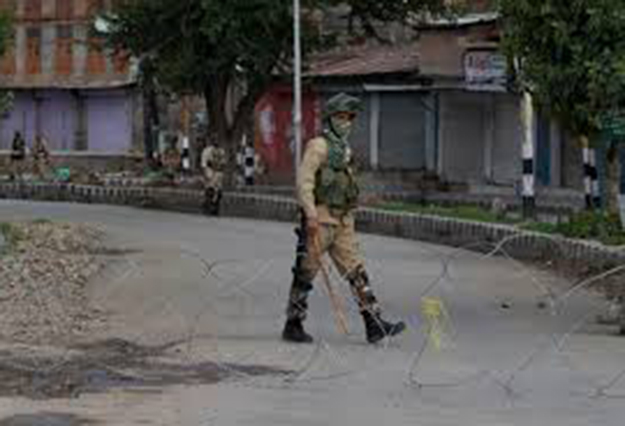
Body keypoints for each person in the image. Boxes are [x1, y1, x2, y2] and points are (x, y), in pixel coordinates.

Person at [282, 93, 406, 345]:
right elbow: (304, 182)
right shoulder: (318, 146)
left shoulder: (345, 149)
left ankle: (374, 323)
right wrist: (310, 214)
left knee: (357, 272)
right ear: (330, 119)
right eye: (341, 117)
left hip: (342, 222)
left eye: (349, 117)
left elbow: (345, 185)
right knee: (305, 274)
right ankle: (293, 324)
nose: (346, 122)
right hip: (319, 221)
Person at [201, 139, 227, 216]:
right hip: (210, 170)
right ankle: (208, 205)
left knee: (219, 191)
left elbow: (223, 162)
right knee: (210, 190)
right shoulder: (207, 150)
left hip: (218, 172)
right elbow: (204, 163)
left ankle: (216, 206)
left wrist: (221, 171)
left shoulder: (221, 151)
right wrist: (206, 173)